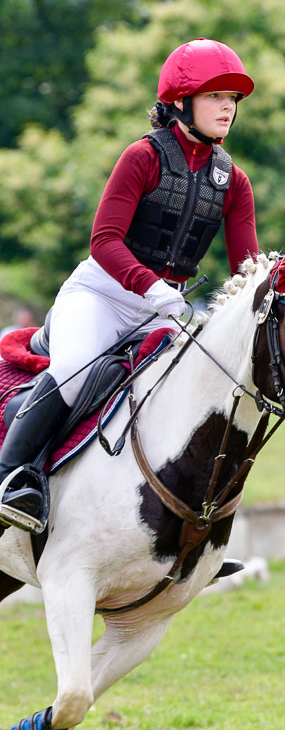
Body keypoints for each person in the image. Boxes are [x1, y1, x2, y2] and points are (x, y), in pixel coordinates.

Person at [0, 38, 258, 532]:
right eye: (215, 96)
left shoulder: (234, 182)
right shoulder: (142, 157)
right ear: (181, 102)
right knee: (75, 371)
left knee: (205, 394)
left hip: (163, 311)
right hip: (102, 296)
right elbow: (104, 240)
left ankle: (192, 531)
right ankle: (16, 479)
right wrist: (150, 286)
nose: (227, 106)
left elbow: (247, 266)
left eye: (233, 99)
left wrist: (269, 289)